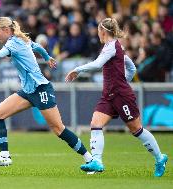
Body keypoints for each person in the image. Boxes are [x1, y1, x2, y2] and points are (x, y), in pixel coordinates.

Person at [0, 17, 93, 168]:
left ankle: (90, 159)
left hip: (41, 89)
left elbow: (0, 55)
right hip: (28, 91)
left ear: (6, 30)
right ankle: (4, 156)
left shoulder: (13, 43)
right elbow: (38, 46)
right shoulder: (20, 40)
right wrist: (47, 58)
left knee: (59, 129)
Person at [65, 18, 168, 177]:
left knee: (136, 130)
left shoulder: (112, 46)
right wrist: (122, 80)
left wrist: (77, 69)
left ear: (103, 31)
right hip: (109, 95)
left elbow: (98, 64)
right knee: (95, 123)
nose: (98, 33)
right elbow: (131, 67)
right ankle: (97, 161)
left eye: (99, 30)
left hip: (121, 95)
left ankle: (160, 158)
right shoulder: (111, 47)